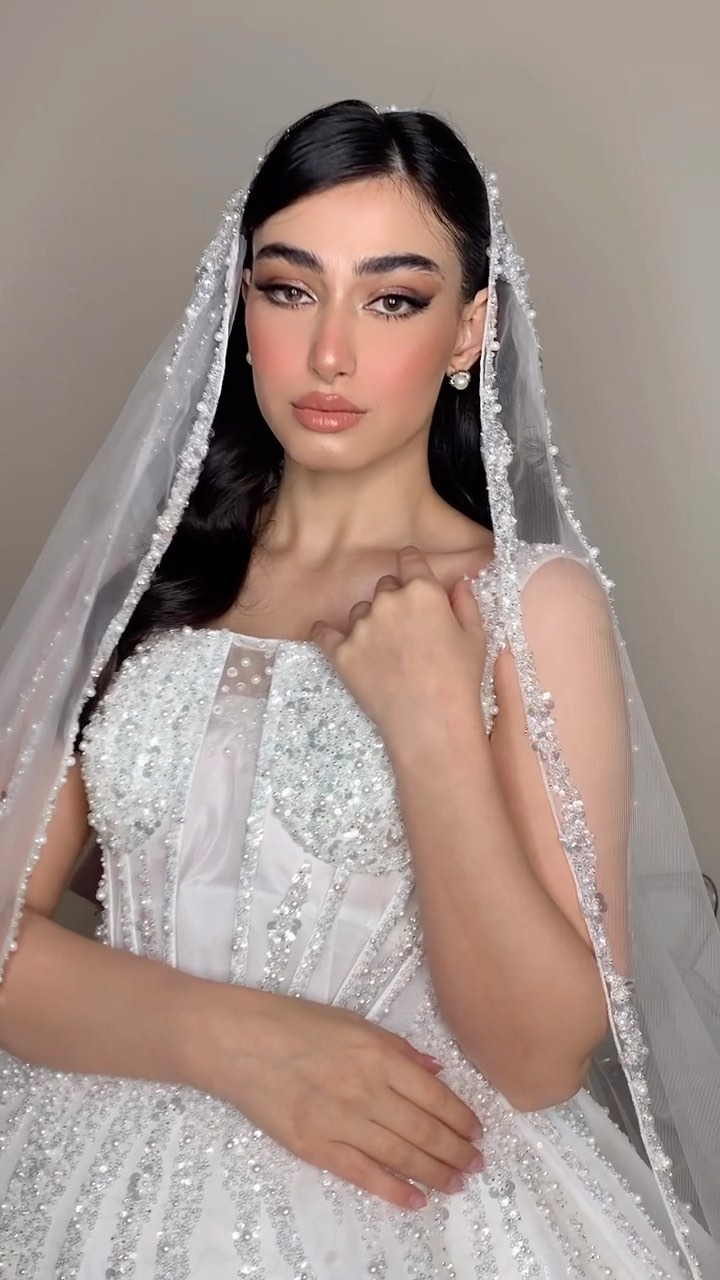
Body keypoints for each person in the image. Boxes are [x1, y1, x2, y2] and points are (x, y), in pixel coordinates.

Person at [0, 98, 718, 1279]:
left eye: (392, 299)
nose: (329, 352)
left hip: (420, 1206)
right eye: (290, 289)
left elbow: (541, 1056)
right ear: (241, 309)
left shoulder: (527, 604)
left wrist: (433, 720)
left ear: (470, 328)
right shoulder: (133, 587)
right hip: (89, 1168)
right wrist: (237, 1040)